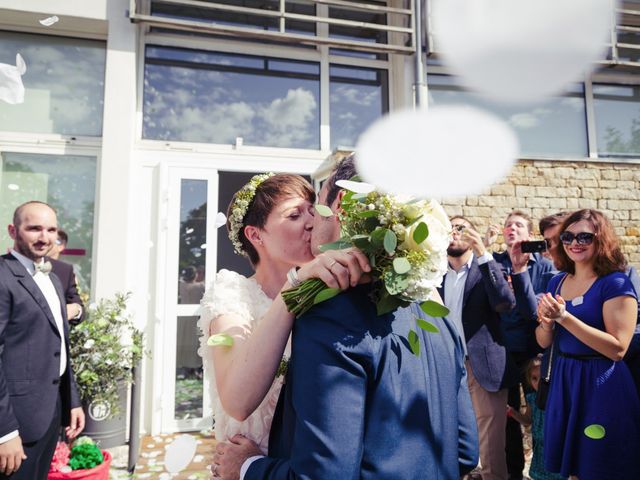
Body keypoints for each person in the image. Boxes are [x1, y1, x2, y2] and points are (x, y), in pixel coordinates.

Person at [213, 157, 479, 480]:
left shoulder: (329, 315)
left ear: (339, 204)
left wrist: (248, 467)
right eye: (296, 214)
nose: (310, 221)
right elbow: (465, 451)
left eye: (315, 205)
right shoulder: (434, 314)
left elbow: (325, 473)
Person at [198, 173, 369, 453]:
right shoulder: (232, 292)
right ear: (255, 235)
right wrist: (294, 285)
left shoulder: (325, 291)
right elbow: (237, 402)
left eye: (313, 211)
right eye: (294, 215)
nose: (312, 222)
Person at [536, 209, 640, 479]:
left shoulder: (615, 283)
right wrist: (547, 323)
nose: (575, 242)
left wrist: (564, 317)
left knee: (601, 466)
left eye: (585, 236)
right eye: (568, 236)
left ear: (601, 240)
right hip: (565, 379)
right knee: (572, 470)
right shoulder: (557, 281)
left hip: (600, 382)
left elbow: (618, 349)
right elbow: (544, 341)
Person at [0, 201, 84, 479]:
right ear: (13, 230)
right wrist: (5, 431)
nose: (44, 237)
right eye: (34, 228)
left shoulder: (55, 278)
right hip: (16, 421)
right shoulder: (2, 276)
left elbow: (60, 346)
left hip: (50, 412)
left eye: (51, 230)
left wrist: (72, 401)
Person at [442, 216, 518, 480]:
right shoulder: (434, 274)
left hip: (482, 366)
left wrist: (484, 254)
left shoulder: (486, 268)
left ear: (473, 235)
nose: (454, 233)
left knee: (490, 447)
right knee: (448, 437)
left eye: (460, 228)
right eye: (449, 228)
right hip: (445, 365)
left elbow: (505, 303)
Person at [488, 211, 555, 480]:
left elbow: (534, 310)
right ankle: (514, 473)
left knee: (541, 412)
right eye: (508, 225)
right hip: (502, 349)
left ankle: (545, 469)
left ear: (529, 235)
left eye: (518, 225)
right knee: (508, 417)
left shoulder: (544, 266)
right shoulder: (494, 263)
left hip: (534, 351)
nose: (511, 229)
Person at [507, 356, 565, 480]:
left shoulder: (560, 399)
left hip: (556, 451)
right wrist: (512, 412)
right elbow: (528, 420)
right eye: (534, 378)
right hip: (540, 453)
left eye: (542, 378)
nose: (538, 382)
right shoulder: (532, 399)